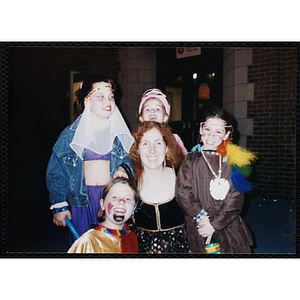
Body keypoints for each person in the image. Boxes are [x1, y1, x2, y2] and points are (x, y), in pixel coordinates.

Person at [46, 74, 134, 245]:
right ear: (87, 102)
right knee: (85, 248)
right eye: (100, 96)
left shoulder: (120, 134)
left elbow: (133, 163)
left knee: (112, 246)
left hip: (111, 200)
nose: (107, 101)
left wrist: (124, 168)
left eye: (111, 96)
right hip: (82, 202)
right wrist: (59, 205)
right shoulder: (70, 135)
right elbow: (56, 172)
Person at [176, 107, 256, 253]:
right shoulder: (190, 160)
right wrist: (202, 218)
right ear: (201, 129)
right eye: (207, 129)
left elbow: (235, 198)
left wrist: (214, 224)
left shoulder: (233, 162)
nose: (211, 135)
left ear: (226, 135)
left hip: (226, 223)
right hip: (199, 223)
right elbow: (183, 191)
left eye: (218, 131)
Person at [129, 121, 189, 253]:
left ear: (167, 148)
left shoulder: (183, 177)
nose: (152, 150)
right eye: (145, 144)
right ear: (137, 149)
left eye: (158, 143)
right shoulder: (130, 185)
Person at [67, 177, 139, 253]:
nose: (121, 201)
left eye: (128, 199)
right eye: (114, 197)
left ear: (134, 209)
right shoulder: (89, 241)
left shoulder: (132, 237)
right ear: (102, 204)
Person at [138, 88, 188, 155]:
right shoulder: (137, 139)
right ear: (141, 118)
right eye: (147, 109)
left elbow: (185, 160)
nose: (152, 111)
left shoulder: (174, 139)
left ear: (165, 117)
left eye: (158, 109)